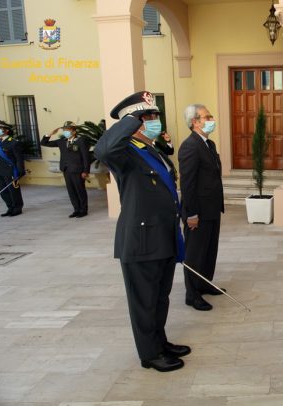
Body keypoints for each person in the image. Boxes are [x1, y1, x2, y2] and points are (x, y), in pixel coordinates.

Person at [94, 91, 189, 372]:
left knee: (159, 298)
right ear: (133, 121)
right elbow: (103, 151)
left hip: (163, 236)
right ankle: (150, 354)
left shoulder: (150, 149)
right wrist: (131, 119)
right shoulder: (124, 153)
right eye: (147, 116)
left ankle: (160, 342)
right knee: (144, 302)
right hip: (141, 240)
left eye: (155, 115)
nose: (154, 120)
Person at [178, 104, 225, 312]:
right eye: (207, 117)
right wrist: (192, 214)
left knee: (209, 251)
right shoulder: (190, 146)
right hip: (198, 211)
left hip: (212, 208)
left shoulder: (209, 144)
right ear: (195, 122)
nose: (212, 120)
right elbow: (187, 184)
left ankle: (205, 283)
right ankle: (192, 294)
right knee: (195, 254)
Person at [41, 121, 91, 217]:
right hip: (66, 169)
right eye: (64, 130)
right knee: (71, 191)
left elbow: (86, 157)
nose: (65, 132)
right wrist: (50, 134)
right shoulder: (62, 141)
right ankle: (76, 209)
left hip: (78, 170)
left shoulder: (80, 141)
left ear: (74, 131)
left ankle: (83, 210)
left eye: (67, 130)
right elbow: (44, 143)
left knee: (80, 190)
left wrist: (86, 171)